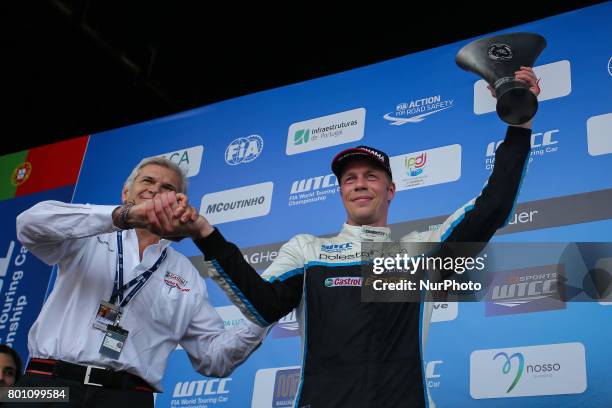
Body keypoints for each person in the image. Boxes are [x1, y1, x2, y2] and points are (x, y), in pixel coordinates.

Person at [144, 67, 540, 407]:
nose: (360, 184)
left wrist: (518, 122)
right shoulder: (308, 251)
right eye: (350, 179)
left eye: (372, 176)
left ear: (391, 190)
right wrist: (205, 234)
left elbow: (492, 208)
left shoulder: (417, 253)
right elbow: (262, 306)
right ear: (341, 192)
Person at [14, 157, 266, 407]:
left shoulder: (186, 273)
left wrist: (262, 317)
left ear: (179, 204)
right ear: (126, 193)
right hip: (44, 385)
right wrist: (125, 216)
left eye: (168, 188)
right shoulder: (86, 235)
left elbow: (212, 359)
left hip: (126, 398)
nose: (156, 189)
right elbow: (27, 224)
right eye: (148, 180)